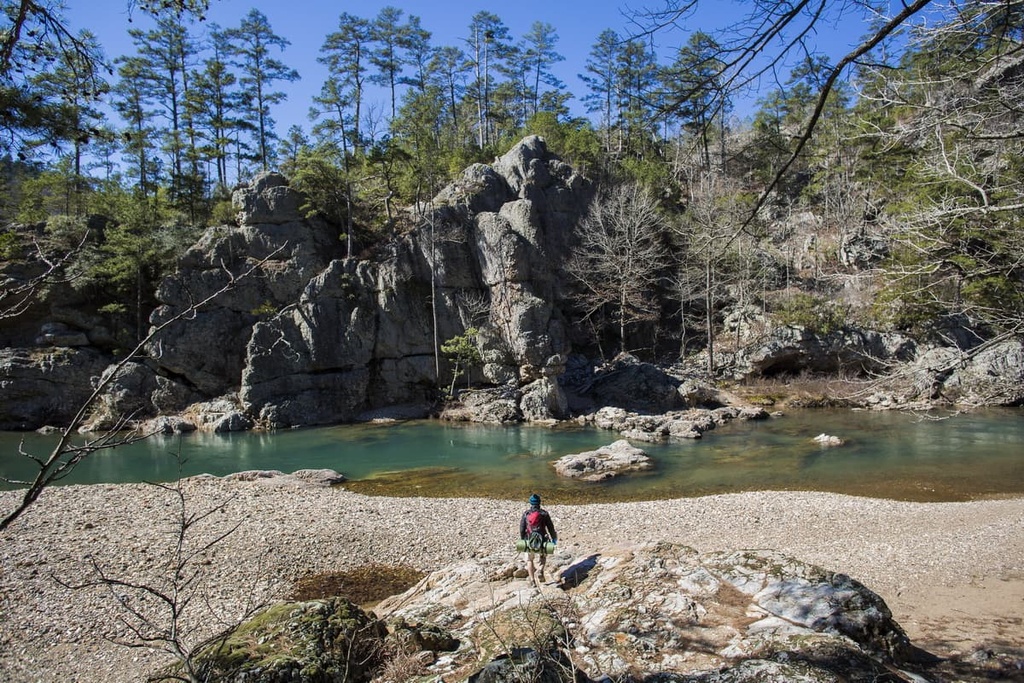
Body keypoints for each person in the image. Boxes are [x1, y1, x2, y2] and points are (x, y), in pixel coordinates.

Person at [519, 493, 557, 584]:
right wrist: (554, 539)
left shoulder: (526, 514)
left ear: (530, 503)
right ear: (539, 502)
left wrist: (522, 539)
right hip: (542, 539)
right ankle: (540, 570)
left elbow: (521, 528)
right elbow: (550, 528)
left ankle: (532, 580)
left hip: (529, 539)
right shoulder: (544, 513)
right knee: (543, 557)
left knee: (529, 560)